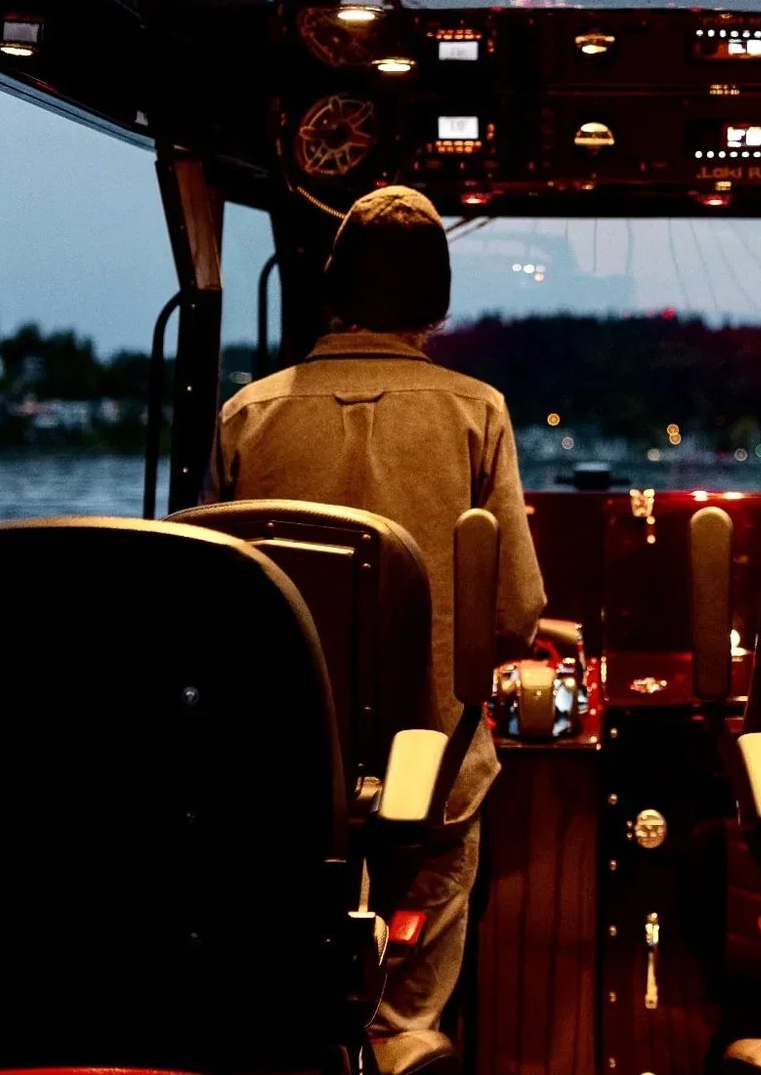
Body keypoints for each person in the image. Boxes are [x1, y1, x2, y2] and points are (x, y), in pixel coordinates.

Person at [203, 185, 546, 1057]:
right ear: (436, 304)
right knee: (404, 998)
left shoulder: (245, 416)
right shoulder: (479, 413)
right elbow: (512, 617)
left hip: (265, 783)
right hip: (425, 781)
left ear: (332, 290)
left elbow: (206, 603)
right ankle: (401, 1037)